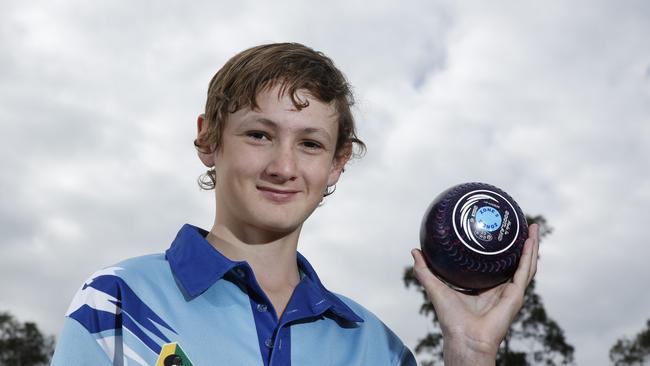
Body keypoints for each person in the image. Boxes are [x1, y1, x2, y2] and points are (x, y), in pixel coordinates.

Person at [51, 43, 539, 366]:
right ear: (209, 139)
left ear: (337, 164)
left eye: (310, 144)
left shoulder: (378, 349)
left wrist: (470, 352)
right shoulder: (117, 301)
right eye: (260, 135)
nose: (283, 167)